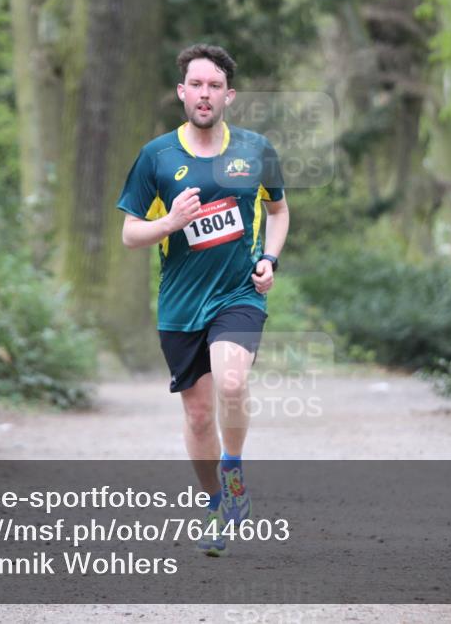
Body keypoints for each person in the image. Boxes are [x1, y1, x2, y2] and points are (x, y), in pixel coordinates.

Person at [117, 44, 289, 556]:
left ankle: (232, 471)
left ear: (229, 95)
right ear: (182, 92)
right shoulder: (157, 157)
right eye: (196, 84)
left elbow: (278, 212)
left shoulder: (255, 150)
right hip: (180, 302)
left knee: (232, 381)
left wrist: (270, 260)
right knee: (196, 416)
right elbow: (129, 233)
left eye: (215, 86)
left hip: (239, 293)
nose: (205, 94)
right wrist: (170, 223)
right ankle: (216, 503)